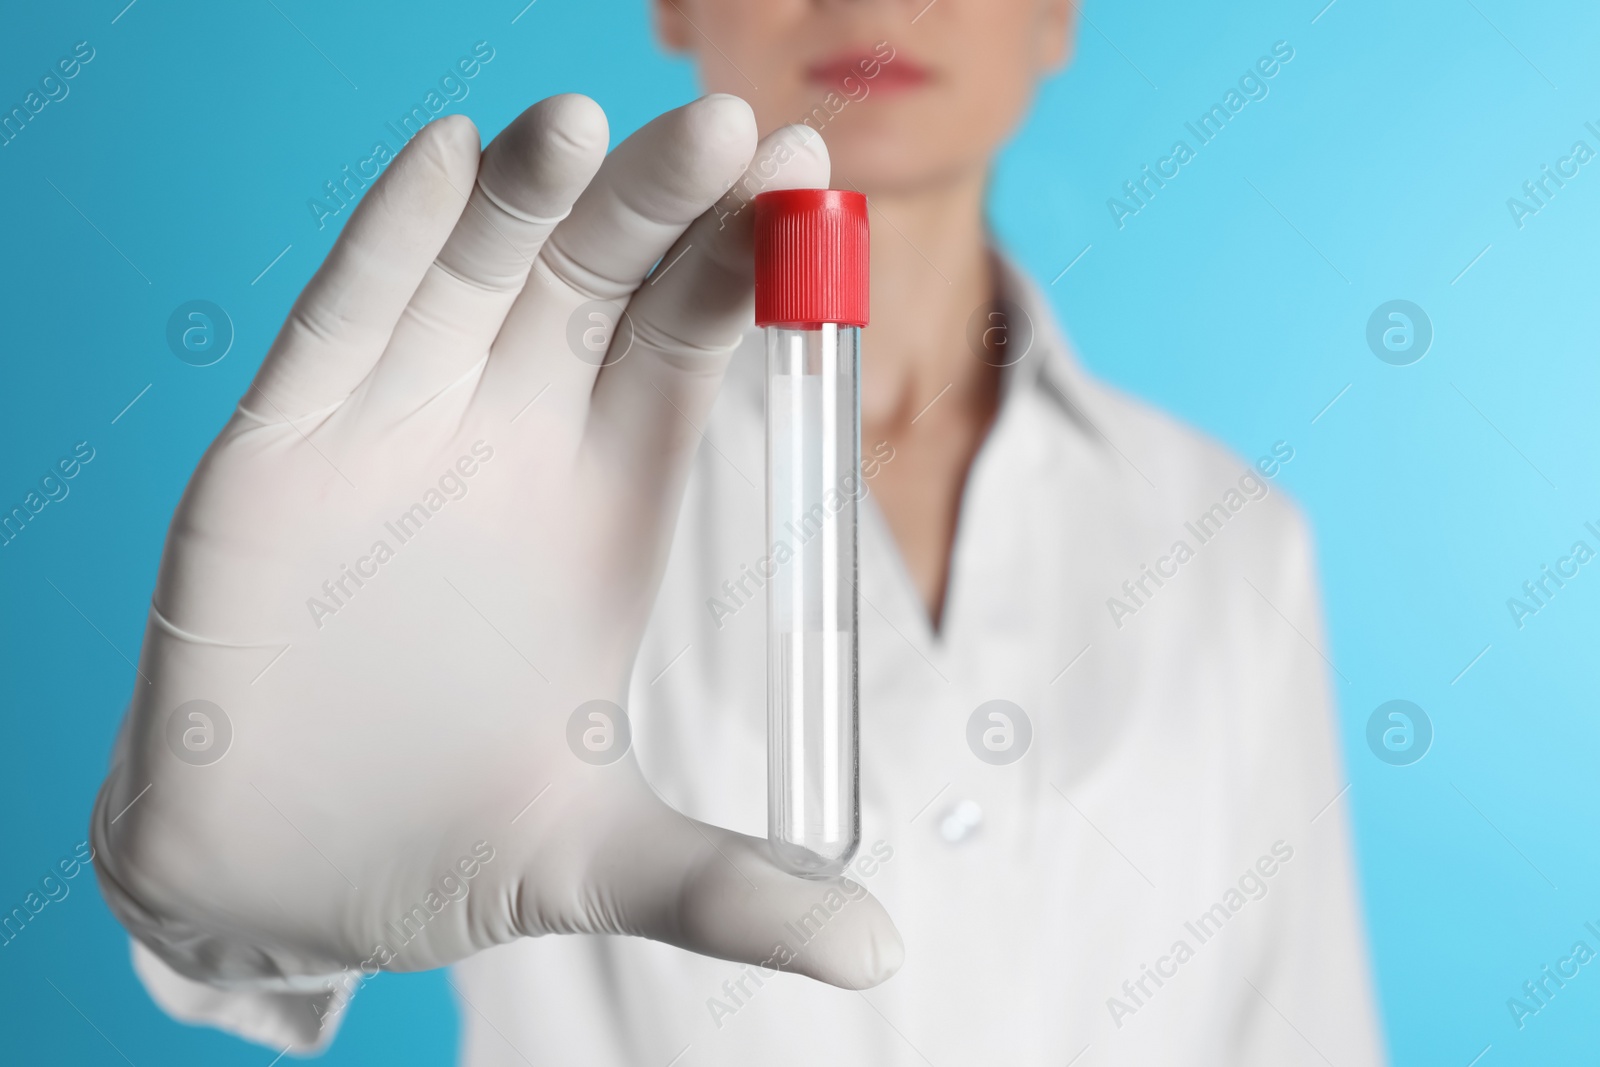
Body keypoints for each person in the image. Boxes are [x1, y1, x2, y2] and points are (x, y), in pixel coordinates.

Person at [90, 1, 1385, 1063]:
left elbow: (1306, 1030)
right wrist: (236, 894)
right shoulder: (477, 488)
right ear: (672, 5)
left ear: (1058, 13)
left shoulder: (1225, 539)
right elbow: (233, 965)